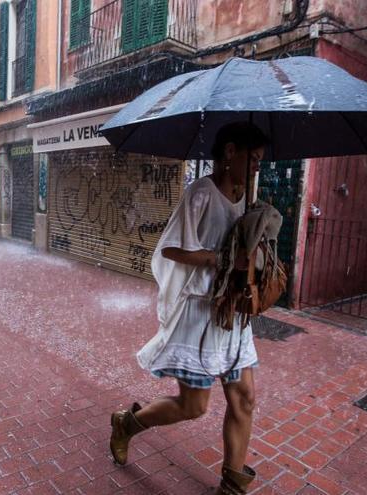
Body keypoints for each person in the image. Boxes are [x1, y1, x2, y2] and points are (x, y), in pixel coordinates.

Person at [110, 122, 267, 495]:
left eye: (261, 160)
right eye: (254, 158)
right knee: (193, 407)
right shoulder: (200, 194)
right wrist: (221, 258)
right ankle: (126, 424)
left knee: (244, 398)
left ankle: (232, 486)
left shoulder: (249, 199)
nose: (258, 166)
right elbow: (170, 249)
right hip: (199, 316)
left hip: (233, 313)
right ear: (230, 153)